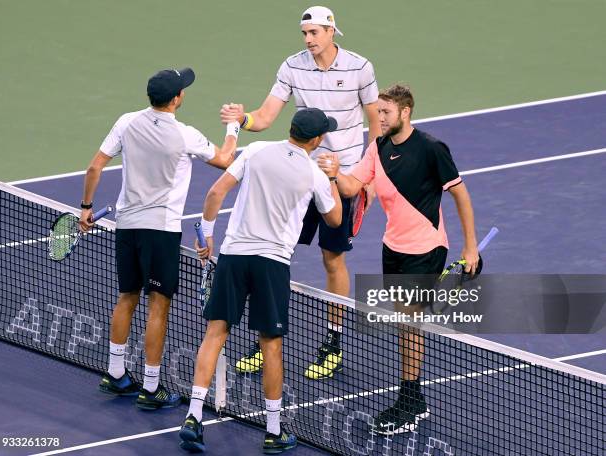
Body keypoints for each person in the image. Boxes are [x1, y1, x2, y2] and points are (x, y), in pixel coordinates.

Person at [221, 5, 380, 381]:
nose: (308, 40)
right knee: (277, 254)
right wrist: (241, 119)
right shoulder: (291, 66)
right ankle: (266, 335)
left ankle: (333, 342)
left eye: (314, 33)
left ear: (331, 32)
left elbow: (376, 123)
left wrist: (368, 178)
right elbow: (264, 117)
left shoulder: (361, 67)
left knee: (332, 260)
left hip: (340, 178)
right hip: (299, 173)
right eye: (304, 34)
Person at [178, 108, 342, 453]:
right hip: (272, 265)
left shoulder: (255, 151)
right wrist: (333, 177)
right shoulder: (314, 173)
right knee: (271, 345)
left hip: (234, 257)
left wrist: (207, 235)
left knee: (215, 333)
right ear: (315, 140)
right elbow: (336, 219)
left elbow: (214, 194)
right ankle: (272, 430)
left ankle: (193, 414)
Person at [318, 84, 479, 434]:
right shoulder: (378, 148)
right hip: (392, 247)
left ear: (405, 112)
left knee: (409, 322)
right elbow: (351, 187)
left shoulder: (432, 149)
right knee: (405, 323)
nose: (379, 118)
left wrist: (470, 248)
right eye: (378, 112)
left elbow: (461, 196)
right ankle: (413, 395)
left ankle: (409, 400)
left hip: (426, 249)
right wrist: (333, 174)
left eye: (385, 113)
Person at [79, 67, 240, 410]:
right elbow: (226, 160)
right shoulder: (185, 135)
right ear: (177, 99)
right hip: (160, 230)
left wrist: (85, 208)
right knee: (158, 306)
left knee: (126, 297)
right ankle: (151, 389)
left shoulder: (126, 121)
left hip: (127, 226)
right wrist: (233, 126)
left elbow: (94, 168)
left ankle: (115, 373)